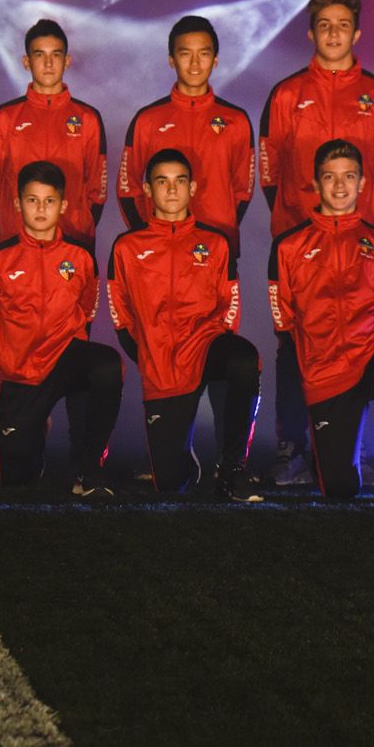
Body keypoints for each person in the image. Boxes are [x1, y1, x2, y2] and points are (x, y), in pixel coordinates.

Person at [259, 0, 374, 485]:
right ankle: (292, 448)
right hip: (300, 242)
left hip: (361, 244)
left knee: (364, 342)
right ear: (311, 32)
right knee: (293, 346)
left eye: (343, 24)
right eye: (325, 24)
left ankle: (354, 448)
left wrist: (357, 220)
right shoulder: (286, 93)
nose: (334, 33)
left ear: (357, 32)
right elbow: (269, 172)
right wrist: (299, 228)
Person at [268, 139, 374, 504]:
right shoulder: (288, 247)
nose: (340, 186)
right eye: (330, 176)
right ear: (315, 182)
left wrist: (373, 346)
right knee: (342, 488)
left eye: (349, 176)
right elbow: (283, 318)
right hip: (326, 372)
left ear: (362, 183)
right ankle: (325, 449)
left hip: (372, 353)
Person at [107, 149, 262, 501]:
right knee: (170, 484)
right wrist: (149, 355)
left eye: (180, 181)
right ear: (147, 190)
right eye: (162, 181)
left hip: (206, 345)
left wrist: (212, 340)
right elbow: (121, 314)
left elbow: (229, 303)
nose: (172, 190)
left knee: (242, 358)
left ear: (193, 188)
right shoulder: (127, 247)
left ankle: (232, 467)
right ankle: (183, 460)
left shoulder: (215, 242)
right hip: (163, 364)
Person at [0, 160, 122, 495]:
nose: (41, 209)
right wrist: (12, 346)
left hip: (65, 356)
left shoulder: (81, 257)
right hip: (21, 371)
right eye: (32, 200)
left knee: (105, 365)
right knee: (14, 478)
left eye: (49, 201)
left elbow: (85, 310)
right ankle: (34, 429)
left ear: (63, 206)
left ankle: (88, 469)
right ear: (17, 204)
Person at [117, 15, 254, 249]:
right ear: (172, 60)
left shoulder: (236, 120)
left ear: (215, 59)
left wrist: (221, 231)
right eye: (185, 54)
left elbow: (243, 190)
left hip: (217, 246)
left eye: (203, 53)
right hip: (158, 246)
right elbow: (127, 186)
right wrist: (146, 234)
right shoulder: (148, 120)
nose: (194, 63)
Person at [0, 19, 107, 245]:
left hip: (74, 239)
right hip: (17, 239)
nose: (48, 63)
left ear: (67, 61)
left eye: (56, 55)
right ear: (26, 62)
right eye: (39, 55)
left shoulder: (88, 118)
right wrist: (13, 225)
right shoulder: (5, 117)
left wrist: (77, 225)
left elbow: (97, 188)